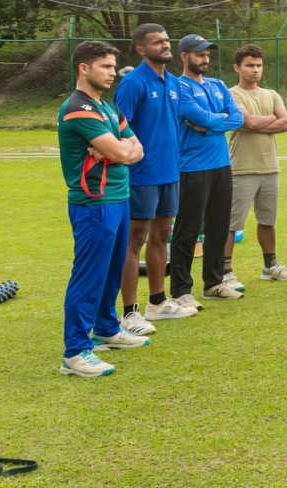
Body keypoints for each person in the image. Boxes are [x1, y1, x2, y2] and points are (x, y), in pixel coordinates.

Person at [58, 41, 150, 377]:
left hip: (119, 197)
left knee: (113, 269)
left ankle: (107, 330)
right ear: (84, 68)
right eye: (106, 67)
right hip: (93, 203)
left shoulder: (108, 108)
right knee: (89, 274)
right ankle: (76, 352)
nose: (113, 73)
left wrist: (115, 149)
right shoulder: (77, 108)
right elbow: (126, 154)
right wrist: (119, 150)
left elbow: (137, 148)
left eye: (113, 67)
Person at [114, 23, 188, 329]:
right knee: (135, 240)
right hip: (142, 175)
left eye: (167, 40)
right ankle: (130, 312)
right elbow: (118, 127)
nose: (165, 45)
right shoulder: (133, 83)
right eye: (157, 42)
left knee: (161, 236)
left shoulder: (171, 82)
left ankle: (157, 302)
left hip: (170, 173)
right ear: (141, 49)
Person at [170, 34, 244, 305]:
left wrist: (211, 123)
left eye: (207, 54)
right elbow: (195, 115)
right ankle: (181, 290)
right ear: (184, 56)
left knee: (218, 226)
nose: (205, 59)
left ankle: (213, 283)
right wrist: (215, 119)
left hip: (221, 165)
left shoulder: (218, 85)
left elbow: (237, 117)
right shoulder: (180, 88)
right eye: (199, 54)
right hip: (192, 167)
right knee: (188, 229)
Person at [224, 44, 287, 283]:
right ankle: (225, 272)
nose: (255, 70)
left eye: (258, 65)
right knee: (232, 224)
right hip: (241, 168)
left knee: (268, 220)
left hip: (270, 168)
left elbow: (286, 123)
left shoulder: (272, 94)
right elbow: (248, 123)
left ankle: (270, 266)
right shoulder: (230, 94)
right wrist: (269, 121)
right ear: (237, 67)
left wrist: (258, 122)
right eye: (249, 65)